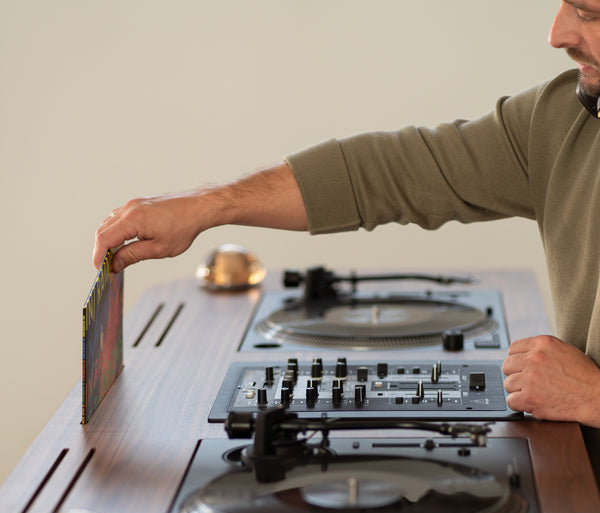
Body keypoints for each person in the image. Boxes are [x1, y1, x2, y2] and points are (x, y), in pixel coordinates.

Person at [93, 0, 600, 475]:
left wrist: (591, 396)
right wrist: (208, 206)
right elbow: (393, 172)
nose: (557, 34)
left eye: (588, 13)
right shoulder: (561, 119)